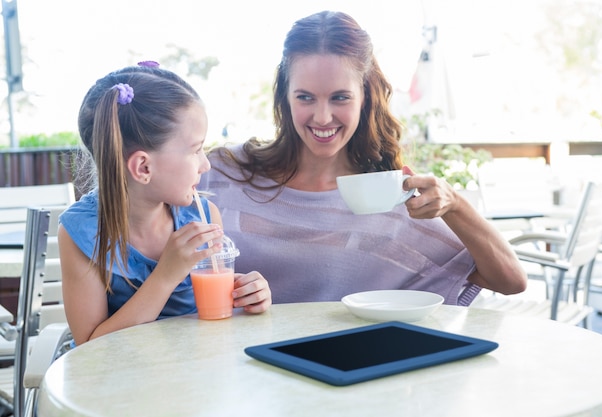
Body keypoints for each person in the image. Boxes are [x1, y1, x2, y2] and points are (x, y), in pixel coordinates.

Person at [199, 10, 527, 305]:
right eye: (305, 97)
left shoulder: (387, 200)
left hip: (339, 367)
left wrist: (454, 203)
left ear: (365, 97)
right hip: (228, 366)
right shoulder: (221, 172)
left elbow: (510, 280)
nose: (323, 117)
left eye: (340, 97)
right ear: (285, 97)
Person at [59, 63, 272, 346]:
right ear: (143, 168)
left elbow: (217, 321)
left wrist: (246, 294)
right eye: (196, 150)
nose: (205, 164)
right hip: (117, 383)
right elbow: (89, 345)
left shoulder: (203, 217)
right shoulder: (82, 233)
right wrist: (166, 276)